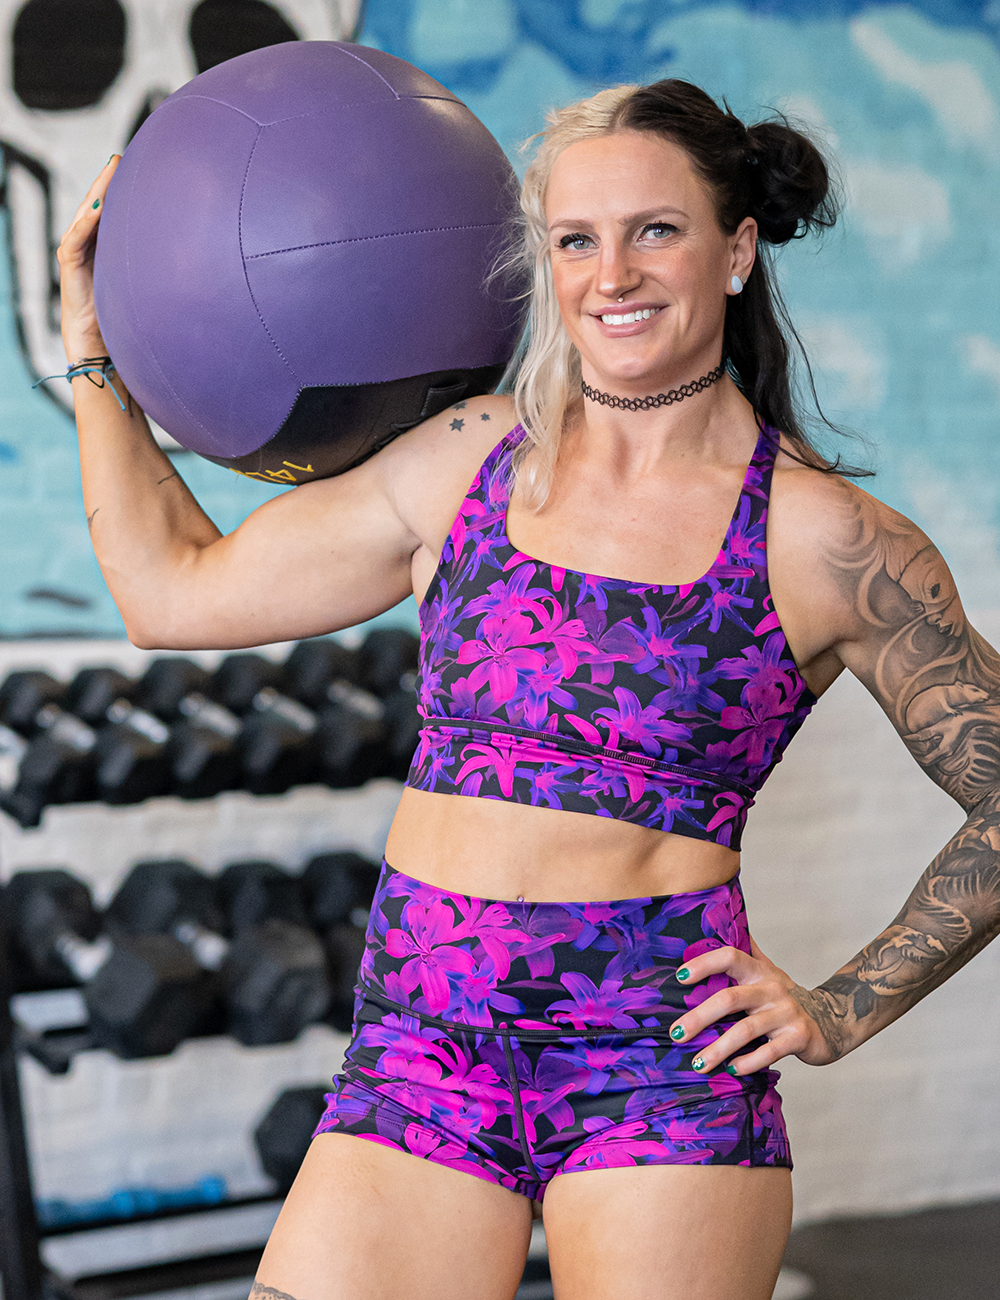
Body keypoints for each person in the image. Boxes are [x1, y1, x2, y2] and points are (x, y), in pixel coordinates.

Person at [58, 78, 1000, 1300]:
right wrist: (93, 355)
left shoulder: (823, 537)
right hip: (418, 1050)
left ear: (735, 251)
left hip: (654, 1071)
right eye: (575, 238)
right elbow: (171, 593)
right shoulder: (469, 462)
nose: (612, 272)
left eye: (654, 229)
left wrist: (843, 1003)